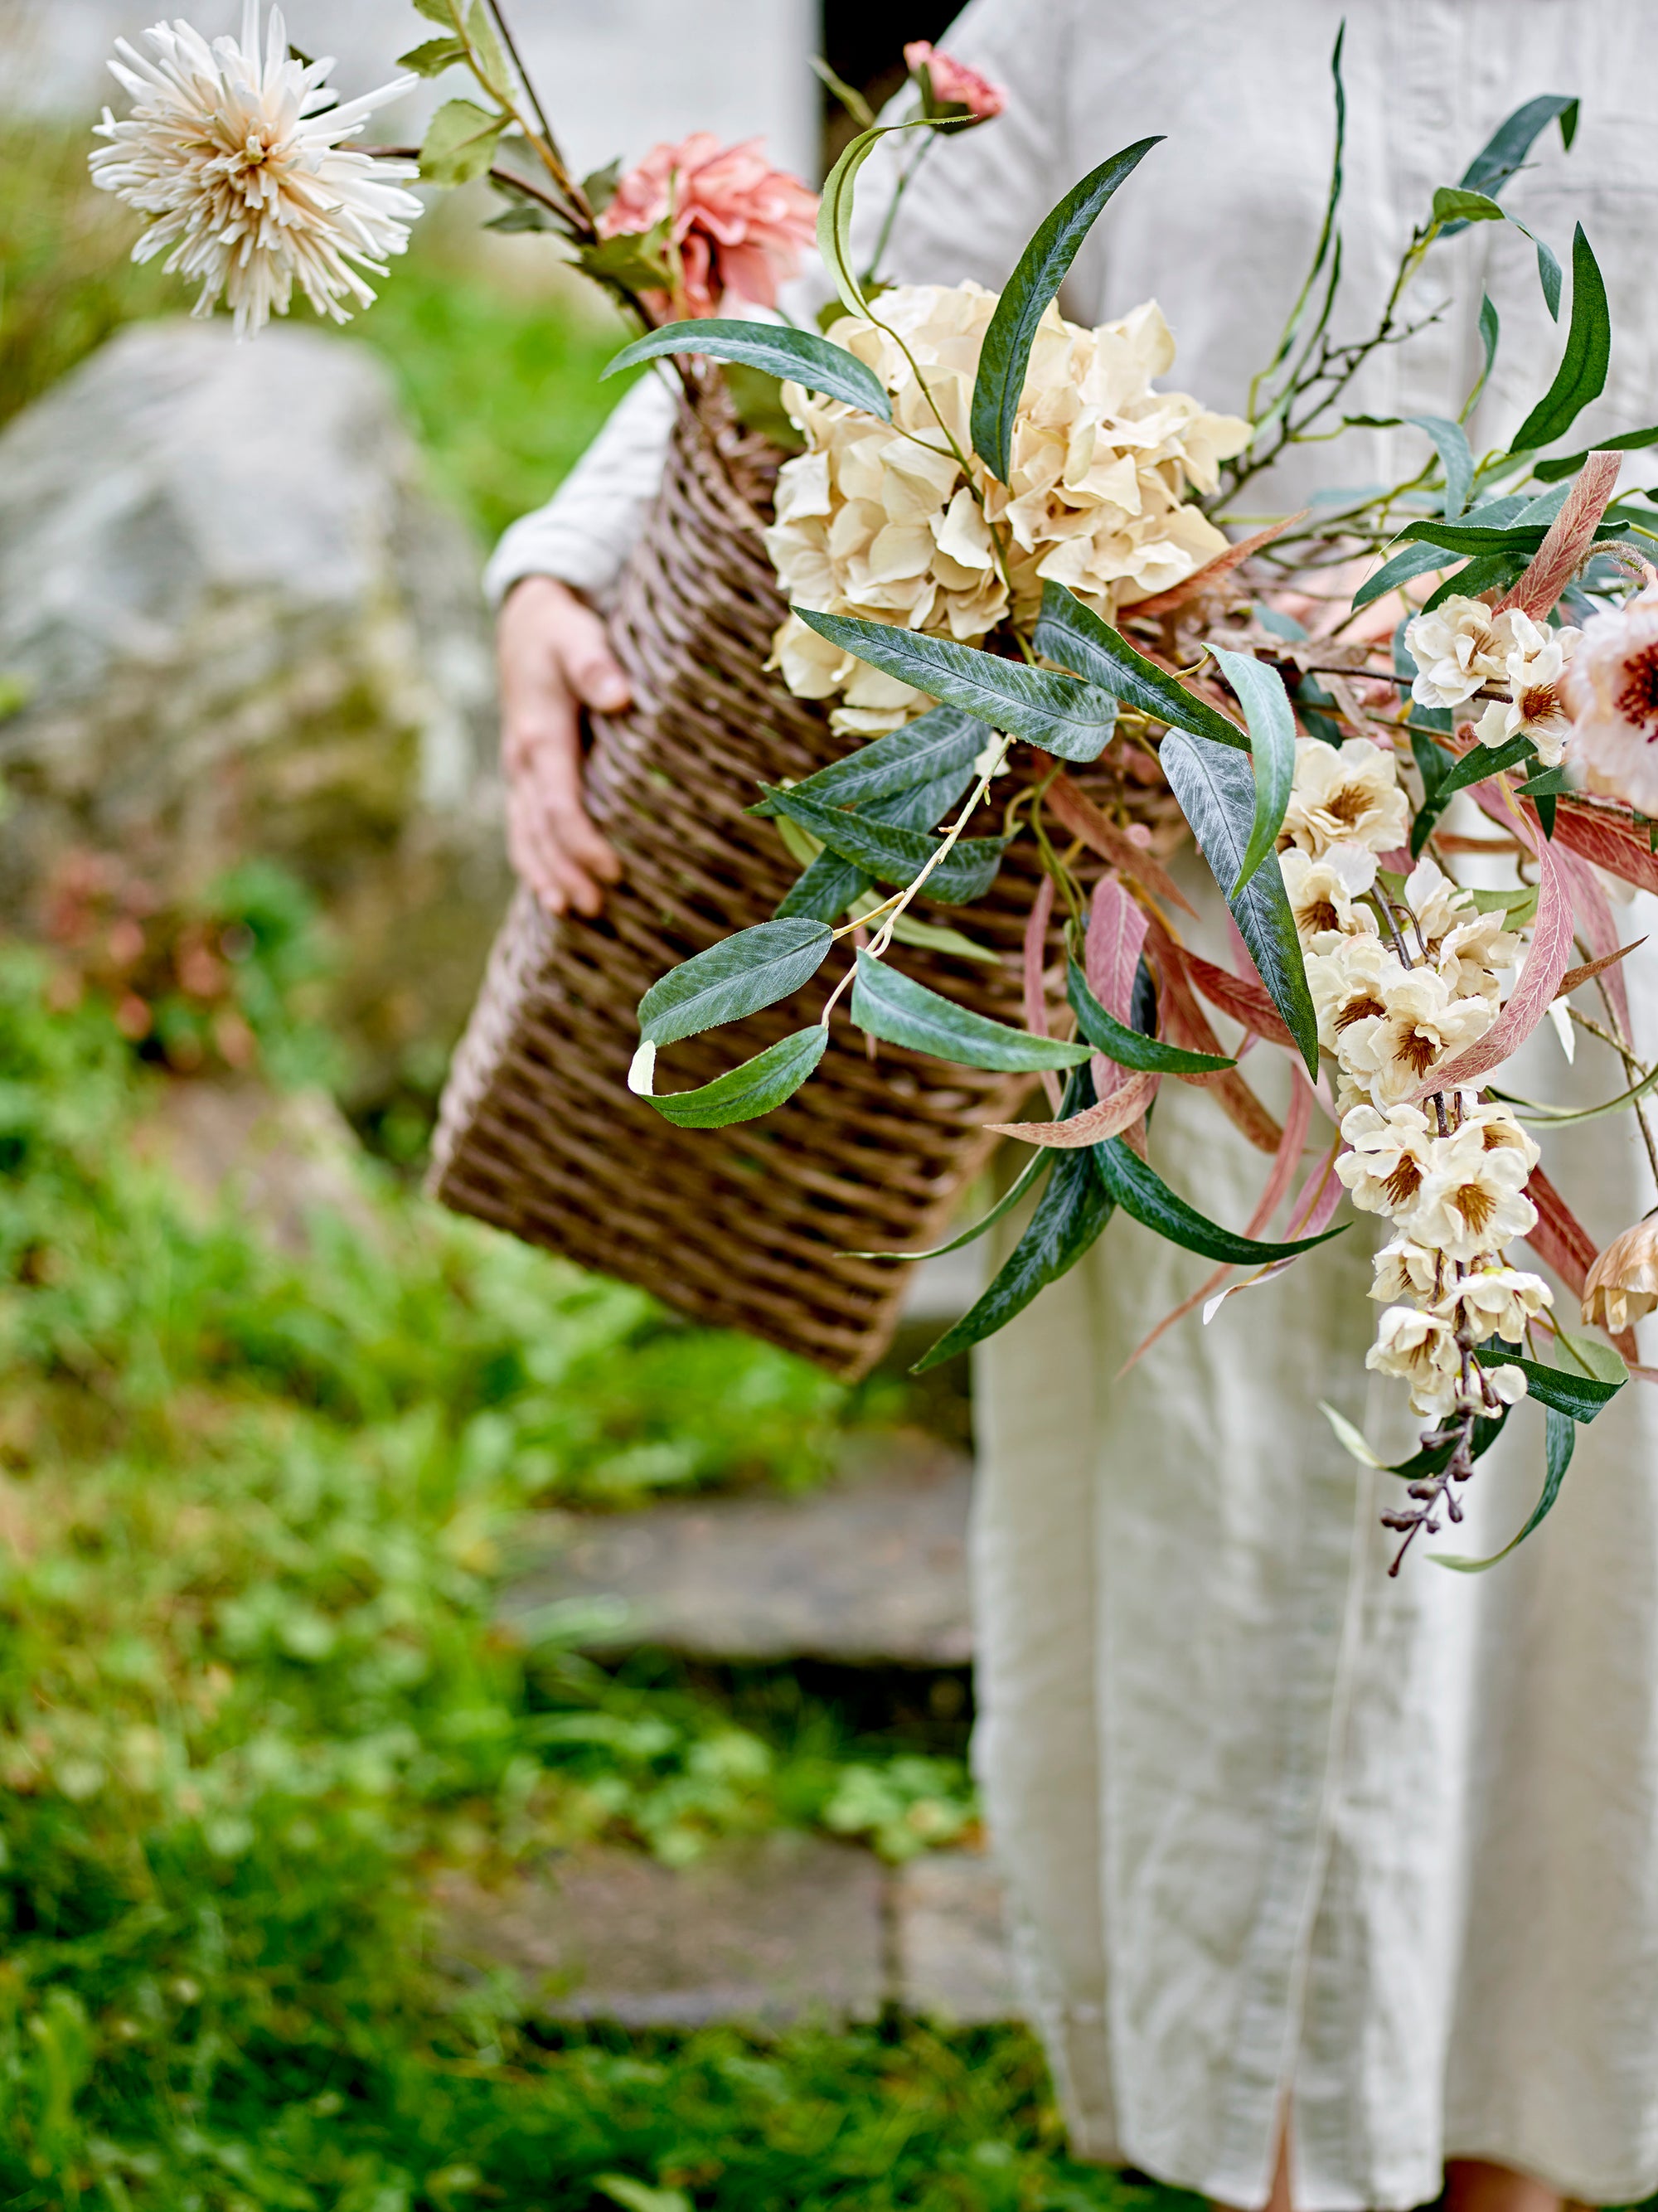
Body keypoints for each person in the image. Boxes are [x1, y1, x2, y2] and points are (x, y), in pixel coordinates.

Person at [483, 7, 1658, 2207]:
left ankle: (1528, 2166)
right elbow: (863, 328)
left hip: (1611, 955)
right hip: (1200, 929)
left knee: (1580, 1638)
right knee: (1231, 1569)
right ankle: (1272, 2158)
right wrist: (564, 558)